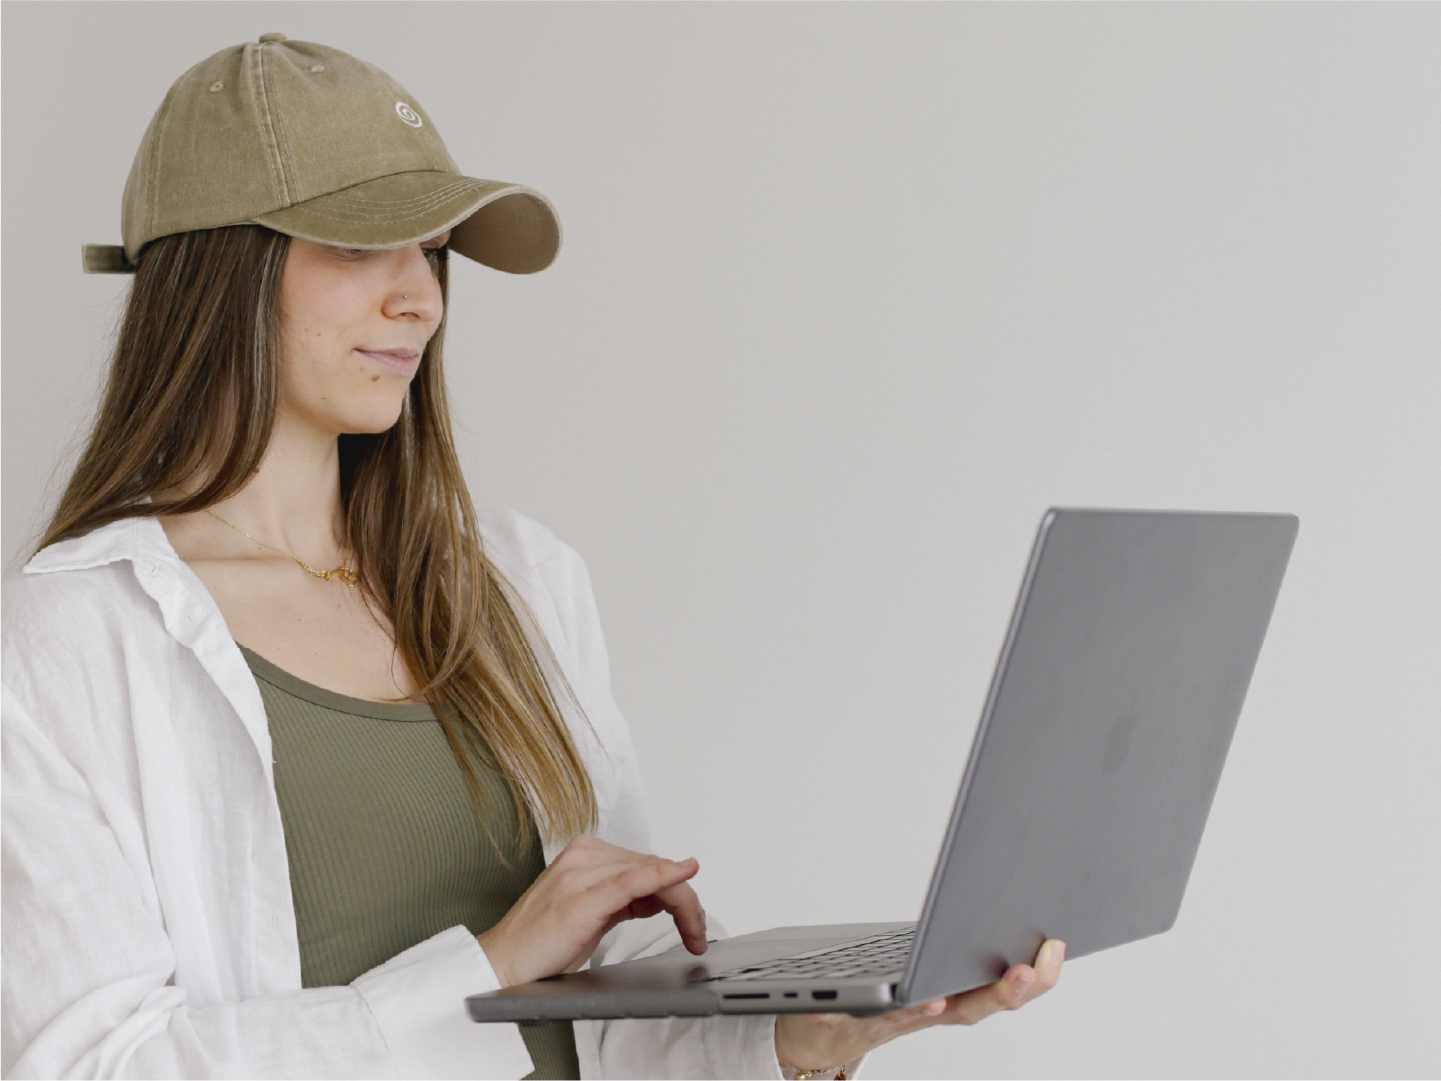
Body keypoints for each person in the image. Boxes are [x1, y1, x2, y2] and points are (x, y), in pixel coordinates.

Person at [0, 35, 1063, 1081]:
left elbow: (605, 998)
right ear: (219, 272)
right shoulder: (69, 641)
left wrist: (802, 1033)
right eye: (362, 245)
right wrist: (486, 967)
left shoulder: (518, 580)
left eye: (433, 250)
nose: (422, 297)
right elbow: (91, 1062)